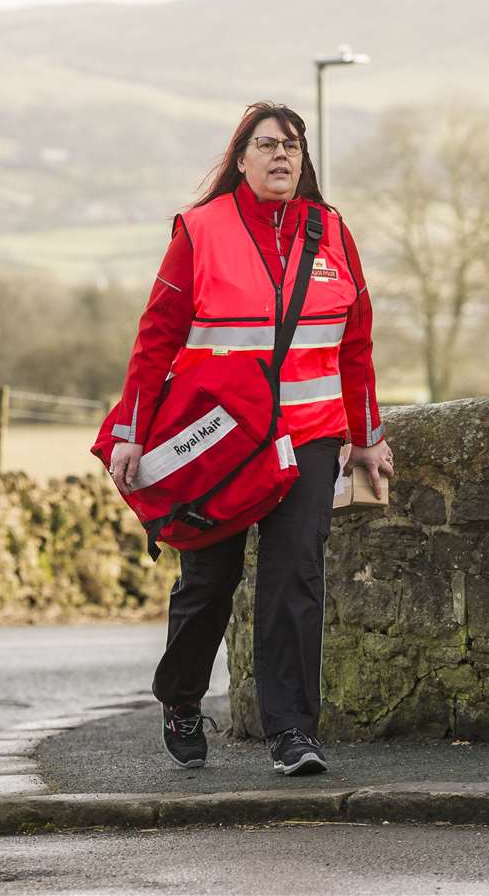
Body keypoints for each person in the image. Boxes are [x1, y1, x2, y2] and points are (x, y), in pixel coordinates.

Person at [105, 100, 395, 775]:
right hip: (222, 441)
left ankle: (291, 734)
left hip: (311, 436)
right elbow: (155, 340)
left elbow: (355, 343)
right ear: (240, 159)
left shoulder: (332, 234)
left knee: (294, 580)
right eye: (265, 144)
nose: (280, 156)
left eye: (291, 145)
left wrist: (366, 435)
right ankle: (179, 697)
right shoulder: (199, 231)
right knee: (210, 580)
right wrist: (129, 430)